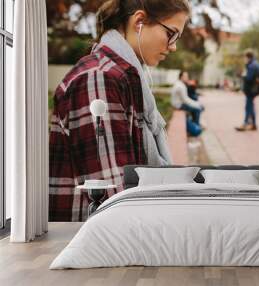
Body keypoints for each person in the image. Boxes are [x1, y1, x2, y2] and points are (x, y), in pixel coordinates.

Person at [49, 0, 191, 221]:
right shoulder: (99, 78)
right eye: (171, 34)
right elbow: (112, 196)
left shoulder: (126, 78)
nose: (173, 46)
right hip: (88, 239)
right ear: (139, 21)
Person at [235, 50, 259, 131]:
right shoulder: (257, 64)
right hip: (255, 89)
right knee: (250, 105)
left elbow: (249, 78)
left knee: (248, 106)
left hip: (250, 89)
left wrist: (242, 75)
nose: (244, 59)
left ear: (248, 57)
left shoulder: (251, 66)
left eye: (245, 57)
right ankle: (253, 124)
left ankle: (245, 123)